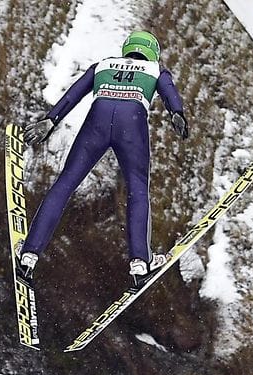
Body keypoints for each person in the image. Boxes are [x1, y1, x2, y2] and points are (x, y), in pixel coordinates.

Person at [18, 30, 189, 285]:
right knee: (137, 190)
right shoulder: (155, 70)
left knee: (65, 184)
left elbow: (74, 93)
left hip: (96, 124)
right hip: (131, 125)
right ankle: (140, 262)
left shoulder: (103, 65)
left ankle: (29, 255)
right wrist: (177, 113)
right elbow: (169, 92)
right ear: (152, 51)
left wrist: (51, 120)